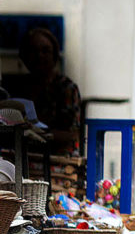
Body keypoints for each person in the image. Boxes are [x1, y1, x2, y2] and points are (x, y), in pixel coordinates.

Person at [11, 26, 82, 155]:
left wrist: (40, 133)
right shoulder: (18, 87)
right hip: (26, 157)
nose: (39, 56)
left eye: (45, 51)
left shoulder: (66, 88)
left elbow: (71, 134)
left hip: (59, 158)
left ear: (54, 56)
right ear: (24, 57)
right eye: (33, 51)